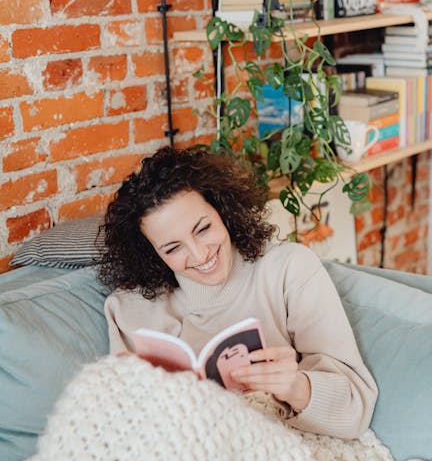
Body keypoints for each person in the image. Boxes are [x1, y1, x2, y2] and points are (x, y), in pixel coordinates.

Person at [98, 145, 378, 438]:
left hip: (281, 446)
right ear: (153, 254)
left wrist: (295, 387)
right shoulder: (129, 309)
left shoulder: (288, 269)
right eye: (172, 248)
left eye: (203, 229)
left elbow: (354, 409)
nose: (199, 254)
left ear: (222, 210)